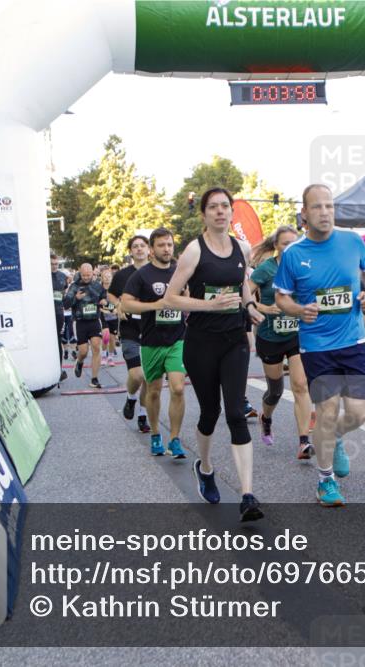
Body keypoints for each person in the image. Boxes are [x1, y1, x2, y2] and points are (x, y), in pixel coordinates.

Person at [160, 188, 265, 522]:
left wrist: (249, 306)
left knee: (236, 411)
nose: (220, 212)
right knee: (210, 413)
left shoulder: (242, 248)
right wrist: (208, 305)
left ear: (232, 212)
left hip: (235, 339)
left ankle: (248, 495)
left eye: (225, 207)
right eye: (213, 207)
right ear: (204, 214)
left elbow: (242, 285)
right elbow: (170, 299)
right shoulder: (194, 251)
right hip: (201, 342)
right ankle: (204, 467)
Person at [275, 184, 365, 507]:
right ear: (304, 213)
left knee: (359, 413)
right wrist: (298, 310)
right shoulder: (294, 255)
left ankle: (333, 437)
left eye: (330, 206)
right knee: (328, 410)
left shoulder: (352, 241)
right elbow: (281, 297)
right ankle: (325, 480)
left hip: (354, 340)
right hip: (317, 345)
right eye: (317, 207)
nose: (325, 213)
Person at [249, 225, 315, 460]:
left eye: (293, 243)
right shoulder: (266, 269)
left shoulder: (303, 266)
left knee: (300, 385)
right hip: (269, 337)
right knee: (275, 392)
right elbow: (244, 295)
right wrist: (264, 307)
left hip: (297, 334)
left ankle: (304, 442)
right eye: (285, 243)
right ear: (276, 246)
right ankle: (266, 418)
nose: (290, 248)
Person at [121, 229, 187, 458]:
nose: (167, 249)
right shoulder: (142, 275)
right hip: (151, 341)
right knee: (154, 391)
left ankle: (176, 439)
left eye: (169, 244)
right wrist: (155, 306)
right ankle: (156, 433)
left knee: (178, 388)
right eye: (161, 245)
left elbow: (188, 296)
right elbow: (126, 304)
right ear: (152, 249)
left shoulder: (181, 271)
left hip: (177, 339)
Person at [109, 235, 153, 433]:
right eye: (135, 246)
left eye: (142, 246)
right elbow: (110, 294)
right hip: (129, 329)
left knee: (149, 379)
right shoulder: (123, 275)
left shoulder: (156, 271)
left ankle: (143, 415)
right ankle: (130, 396)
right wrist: (119, 305)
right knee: (137, 375)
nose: (139, 249)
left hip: (152, 328)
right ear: (130, 251)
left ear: (149, 249)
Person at [63, 263, 106, 389]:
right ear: (80, 273)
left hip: (94, 321)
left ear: (93, 273)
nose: (86, 277)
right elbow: (66, 304)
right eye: (84, 275)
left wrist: (104, 301)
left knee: (97, 348)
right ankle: (79, 361)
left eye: (89, 275)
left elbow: (104, 299)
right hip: (80, 322)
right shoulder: (74, 286)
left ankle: (94, 379)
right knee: (83, 351)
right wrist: (75, 298)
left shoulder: (98, 286)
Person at [50, 254, 68, 382]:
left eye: (56, 264)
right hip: (46, 313)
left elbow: (64, 293)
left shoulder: (62, 276)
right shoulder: (43, 276)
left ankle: (59, 369)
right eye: (52, 264)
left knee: (58, 340)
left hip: (59, 313)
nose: (54, 266)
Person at [100, 269, 119, 366]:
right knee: (106, 336)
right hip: (103, 316)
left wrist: (112, 308)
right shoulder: (100, 290)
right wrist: (111, 308)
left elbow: (118, 304)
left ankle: (110, 357)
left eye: (109, 277)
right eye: (105, 277)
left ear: (112, 278)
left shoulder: (115, 290)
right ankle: (103, 355)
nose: (107, 279)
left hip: (114, 318)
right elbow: (100, 305)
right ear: (102, 278)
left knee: (112, 339)